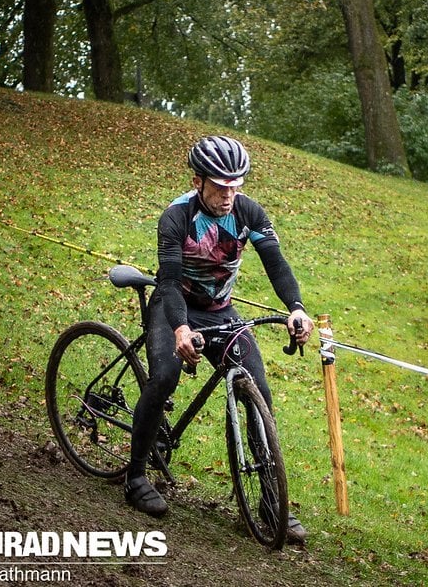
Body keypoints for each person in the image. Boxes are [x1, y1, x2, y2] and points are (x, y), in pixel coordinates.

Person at [124, 135, 315, 543]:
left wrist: (296, 307)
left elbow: (276, 265)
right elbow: (171, 283)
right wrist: (179, 329)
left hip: (219, 311)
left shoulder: (249, 212)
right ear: (198, 181)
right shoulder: (176, 217)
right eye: (219, 186)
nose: (229, 194)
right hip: (173, 306)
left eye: (236, 185)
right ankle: (136, 476)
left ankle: (269, 503)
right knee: (164, 378)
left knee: (258, 392)